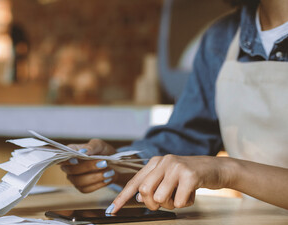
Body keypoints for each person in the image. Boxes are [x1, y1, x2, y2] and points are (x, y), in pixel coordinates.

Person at [60, 0, 288, 213]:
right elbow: (187, 138)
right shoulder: (222, 38)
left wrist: (226, 171)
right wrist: (120, 165)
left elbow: (217, 168)